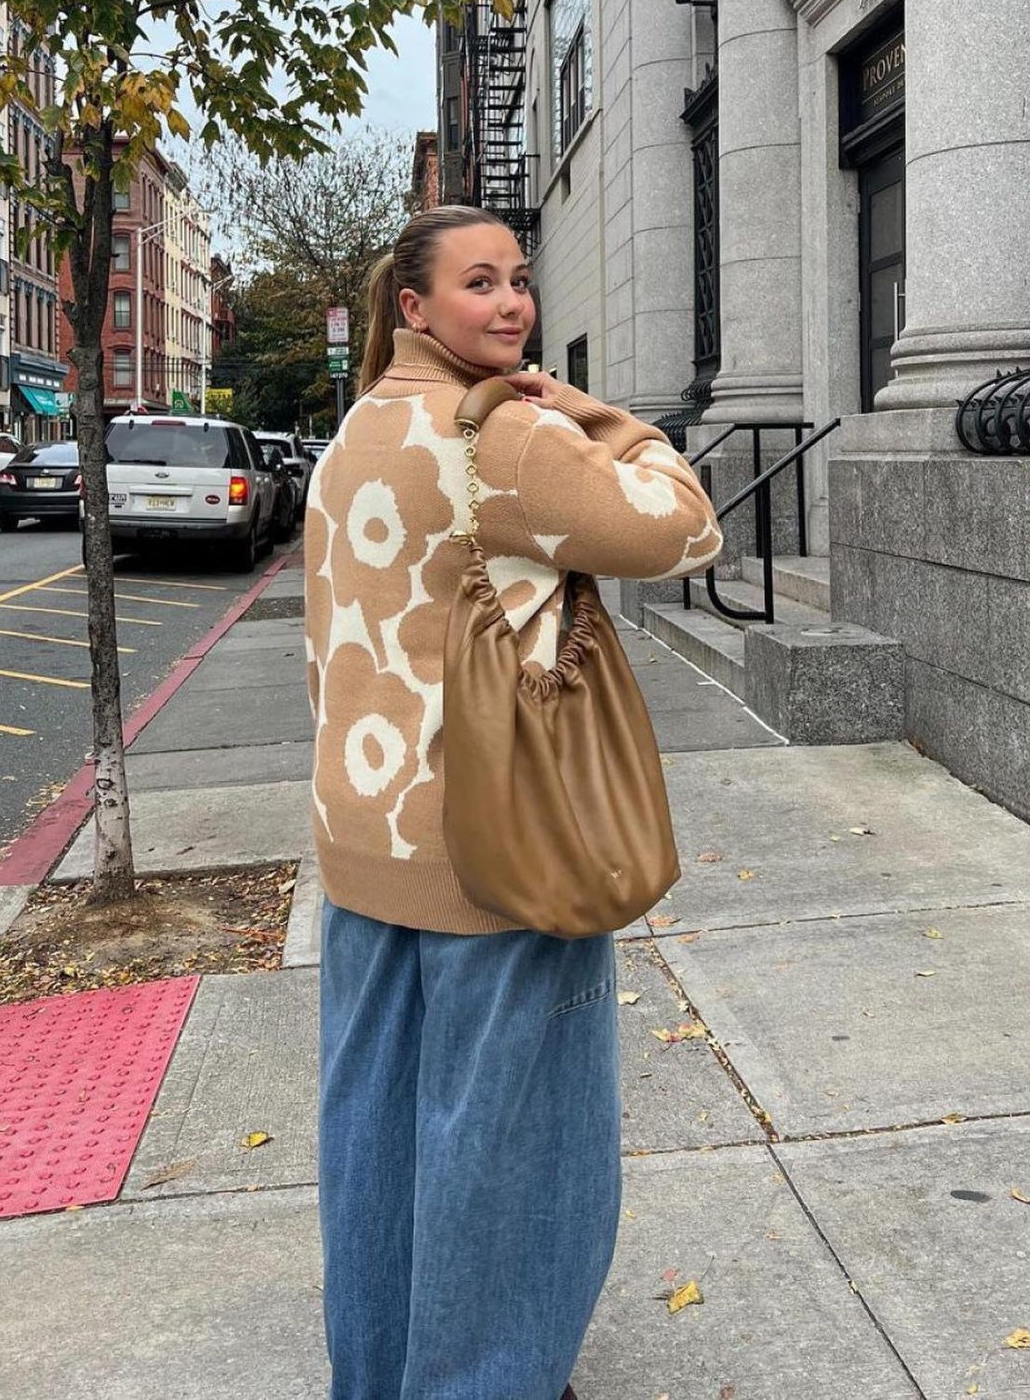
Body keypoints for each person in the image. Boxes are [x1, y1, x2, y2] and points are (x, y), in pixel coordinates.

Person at [304, 205, 723, 1399]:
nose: (511, 304)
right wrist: (589, 411)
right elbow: (685, 528)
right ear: (414, 307)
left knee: (377, 1138)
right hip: (501, 853)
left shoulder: (354, 435)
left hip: (365, 843)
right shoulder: (509, 436)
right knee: (513, 1149)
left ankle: (379, 1375)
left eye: (520, 280)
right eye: (479, 284)